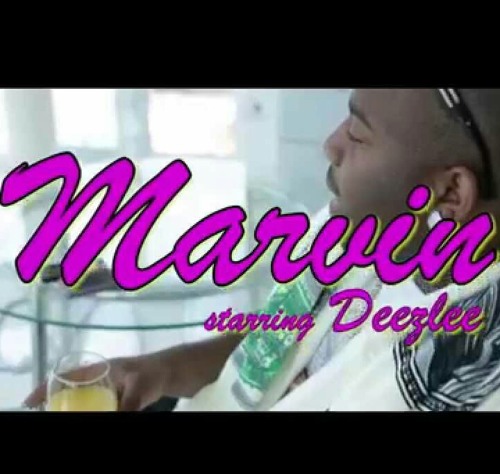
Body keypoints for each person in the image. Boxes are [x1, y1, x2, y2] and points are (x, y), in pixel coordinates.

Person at [24, 88, 500, 411]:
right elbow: (282, 343)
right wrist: (155, 369)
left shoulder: (469, 370)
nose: (331, 145)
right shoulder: (371, 233)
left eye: (358, 135)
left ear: (451, 192)